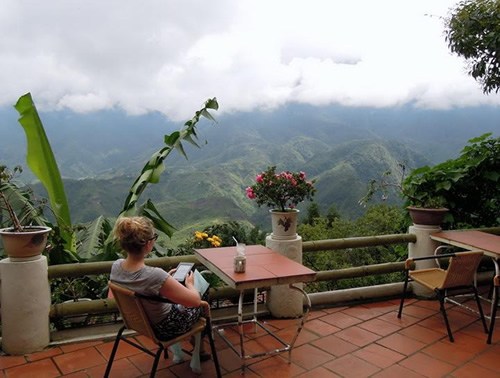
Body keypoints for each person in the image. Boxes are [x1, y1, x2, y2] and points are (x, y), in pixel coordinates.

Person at [110, 216, 208, 359]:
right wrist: (190, 285)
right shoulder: (154, 275)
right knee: (202, 292)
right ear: (148, 244)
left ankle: (189, 348)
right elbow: (194, 301)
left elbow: (115, 296)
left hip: (140, 323)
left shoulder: (116, 266)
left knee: (181, 295)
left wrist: (166, 280)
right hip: (165, 329)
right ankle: (200, 349)